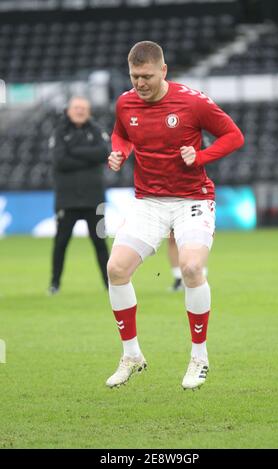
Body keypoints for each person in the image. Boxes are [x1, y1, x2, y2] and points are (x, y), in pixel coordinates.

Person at [106, 41, 244, 390]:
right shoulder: (125, 103)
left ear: (163, 71)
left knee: (192, 268)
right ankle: (132, 355)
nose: (140, 83)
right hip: (148, 202)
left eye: (147, 76)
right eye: (135, 76)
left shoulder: (192, 101)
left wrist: (200, 157)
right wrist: (119, 152)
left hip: (191, 200)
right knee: (116, 269)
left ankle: (199, 357)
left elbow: (234, 136)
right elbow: (122, 134)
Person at [49, 96, 109, 294]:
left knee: (100, 242)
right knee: (61, 243)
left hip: (95, 200)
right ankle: (55, 284)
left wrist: (73, 151)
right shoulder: (60, 132)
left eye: (83, 108)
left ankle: (110, 285)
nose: (80, 111)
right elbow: (60, 162)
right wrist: (89, 158)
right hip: (67, 201)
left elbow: (103, 153)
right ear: (68, 110)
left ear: (89, 111)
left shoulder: (97, 130)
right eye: (76, 108)